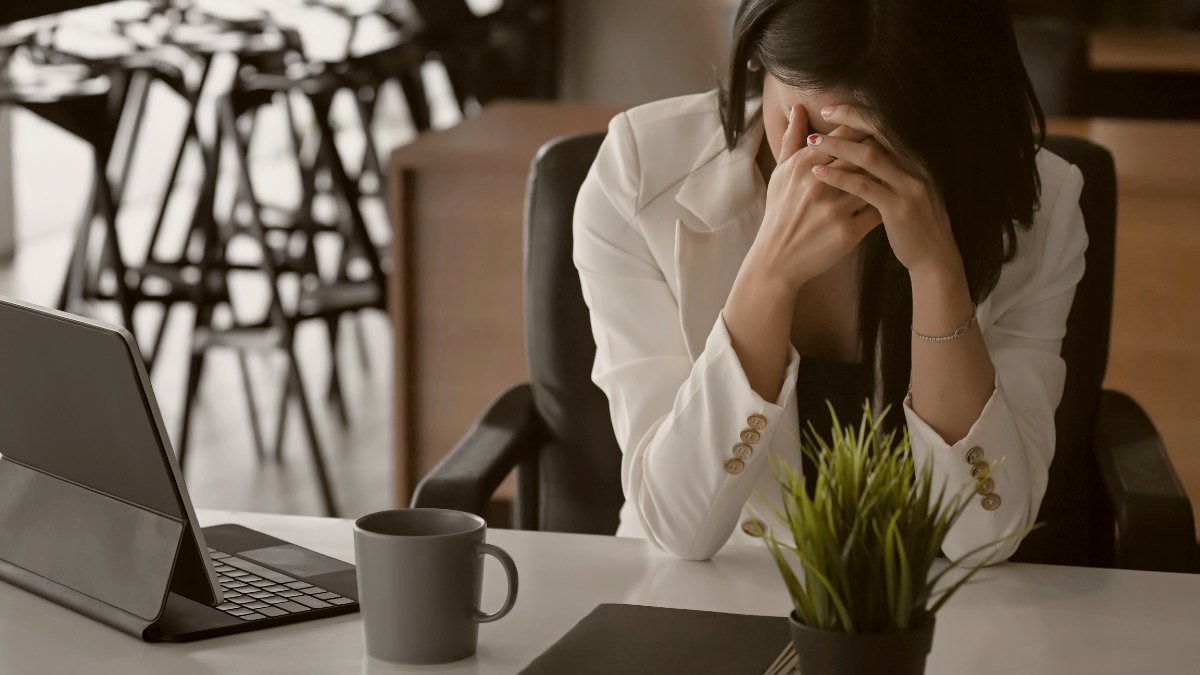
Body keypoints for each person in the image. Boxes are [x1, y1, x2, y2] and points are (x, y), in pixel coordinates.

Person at [572, 0, 1087, 562]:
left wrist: (939, 272)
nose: (844, 168)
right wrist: (770, 274)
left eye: (890, 143)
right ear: (757, 64)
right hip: (712, 587)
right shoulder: (641, 174)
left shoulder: (1038, 206)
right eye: (813, 134)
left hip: (931, 600)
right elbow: (678, 527)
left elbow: (985, 540)